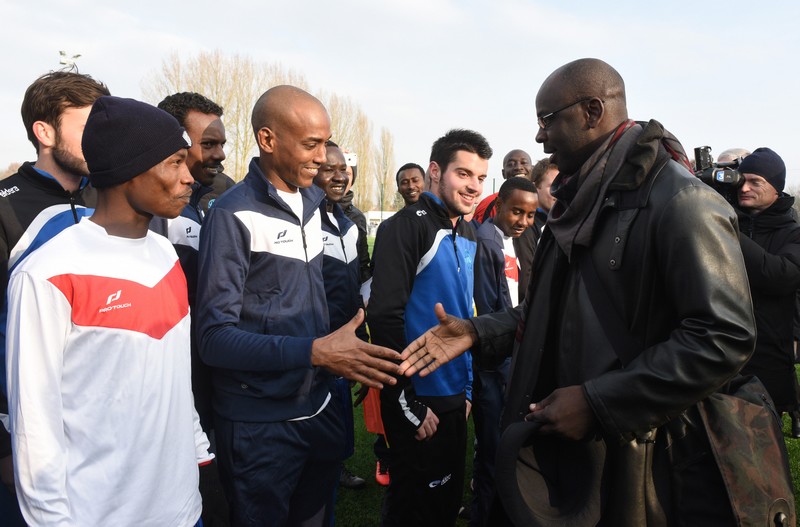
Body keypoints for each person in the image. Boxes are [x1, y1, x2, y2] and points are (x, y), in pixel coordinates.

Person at [399, 58, 758, 525]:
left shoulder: (681, 201)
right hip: (559, 456)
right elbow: (554, 307)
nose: (539, 137)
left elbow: (723, 337)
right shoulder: (579, 198)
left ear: (591, 112)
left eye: (547, 120)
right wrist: (477, 331)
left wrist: (600, 400)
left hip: (634, 467)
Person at [195, 85, 401, 526]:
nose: (324, 156)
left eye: (326, 142)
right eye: (312, 144)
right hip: (260, 426)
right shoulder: (232, 215)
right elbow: (213, 339)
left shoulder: (315, 205)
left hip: (321, 409)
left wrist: (335, 358)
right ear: (268, 140)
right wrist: (314, 351)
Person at [6, 95, 213, 526]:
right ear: (127, 169)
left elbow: (174, 371)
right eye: (174, 162)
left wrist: (196, 449)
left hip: (181, 508)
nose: (188, 177)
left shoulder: (165, 255)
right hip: (98, 514)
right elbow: (35, 428)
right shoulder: (47, 273)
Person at [0, 70, 109, 524]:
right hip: (24, 435)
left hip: (101, 427)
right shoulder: (5, 205)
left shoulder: (109, 197)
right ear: (43, 132)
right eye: (88, 129)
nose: (102, 141)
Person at [368, 128, 492, 527]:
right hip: (419, 400)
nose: (474, 186)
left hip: (456, 395)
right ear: (435, 171)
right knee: (412, 510)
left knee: (444, 506)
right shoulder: (405, 226)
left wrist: (468, 388)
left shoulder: (469, 230)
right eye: (464, 174)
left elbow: (464, 316)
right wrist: (405, 403)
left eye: (480, 178)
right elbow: (385, 317)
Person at [157, 91, 230, 526]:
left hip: (211, 382)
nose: (220, 154)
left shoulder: (211, 200)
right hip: (169, 391)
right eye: (209, 144)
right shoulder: (150, 212)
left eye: (221, 143)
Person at [470, 176, 537, 527]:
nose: (524, 221)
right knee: (491, 452)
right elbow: (485, 311)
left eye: (529, 214)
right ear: (498, 207)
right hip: (491, 364)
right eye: (516, 212)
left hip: (510, 359)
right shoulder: (485, 243)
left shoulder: (516, 241)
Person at [734, 148, 800, 437]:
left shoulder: (794, 231)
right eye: (741, 180)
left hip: (769, 351)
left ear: (776, 188)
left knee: (763, 441)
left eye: (755, 181)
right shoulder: (730, 215)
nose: (745, 188)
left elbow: (780, 276)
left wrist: (724, 229)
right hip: (722, 346)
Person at [314, 140, 368, 491]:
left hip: (346, 342)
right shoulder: (303, 222)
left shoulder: (350, 224)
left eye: (343, 169)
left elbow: (360, 278)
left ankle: (336, 469)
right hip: (316, 347)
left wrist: (360, 340)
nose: (339, 175)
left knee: (338, 429)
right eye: (328, 168)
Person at [530, 157, 558, 251]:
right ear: (535, 188)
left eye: (562, 185)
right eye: (553, 186)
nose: (558, 191)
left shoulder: (568, 221)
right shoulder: (526, 226)